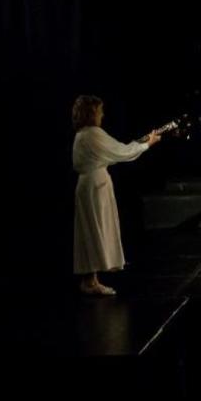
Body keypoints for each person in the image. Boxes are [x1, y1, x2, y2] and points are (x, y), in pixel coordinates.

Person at [71, 95, 162, 295]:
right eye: (99, 111)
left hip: (88, 185)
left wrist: (142, 142)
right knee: (96, 229)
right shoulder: (92, 134)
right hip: (95, 186)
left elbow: (113, 152)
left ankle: (90, 279)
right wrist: (147, 145)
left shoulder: (82, 134)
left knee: (90, 229)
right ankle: (91, 281)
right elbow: (121, 152)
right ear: (91, 113)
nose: (102, 115)